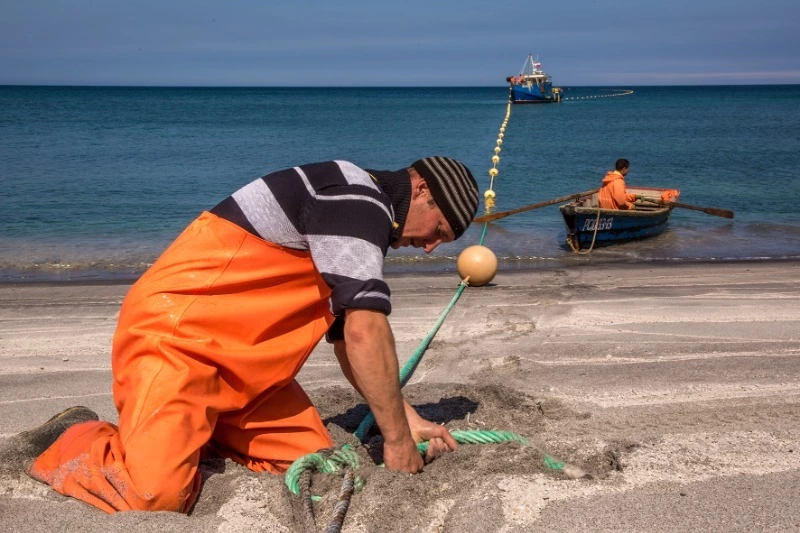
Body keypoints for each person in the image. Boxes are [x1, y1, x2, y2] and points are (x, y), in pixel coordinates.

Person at [0, 156, 479, 513]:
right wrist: (395, 440)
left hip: (247, 374)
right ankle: (72, 434)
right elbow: (363, 328)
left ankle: (191, 433)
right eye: (439, 229)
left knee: (314, 460)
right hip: (177, 341)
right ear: (420, 188)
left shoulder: (359, 213)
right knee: (154, 496)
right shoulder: (354, 198)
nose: (431, 246)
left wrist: (407, 417)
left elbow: (342, 338)